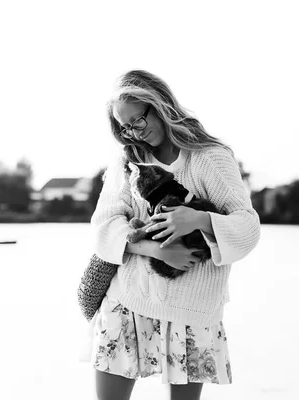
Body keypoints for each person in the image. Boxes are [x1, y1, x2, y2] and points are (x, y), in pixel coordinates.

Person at [88, 70, 260, 400]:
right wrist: (156, 251)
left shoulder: (211, 158)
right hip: (128, 300)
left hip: (192, 312)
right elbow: (104, 227)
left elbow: (248, 227)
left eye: (138, 120)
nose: (133, 132)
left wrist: (197, 219)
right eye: (125, 127)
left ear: (160, 104)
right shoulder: (129, 161)